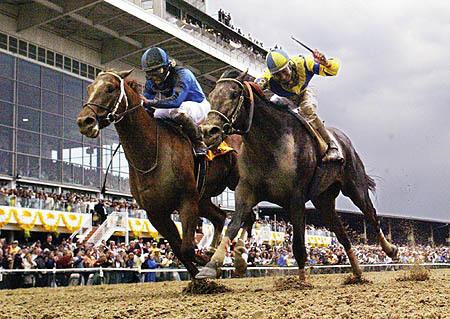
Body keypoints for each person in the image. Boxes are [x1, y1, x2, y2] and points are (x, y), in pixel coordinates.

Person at [255, 49, 344, 163]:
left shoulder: (305, 63)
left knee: (307, 109)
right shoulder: (267, 78)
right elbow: (254, 86)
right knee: (271, 110)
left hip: (305, 93)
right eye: (277, 75)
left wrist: (326, 63)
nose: (283, 77)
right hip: (286, 98)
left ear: (289, 65)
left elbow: (333, 71)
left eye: (284, 71)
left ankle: (332, 146)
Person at [140, 47, 210, 156]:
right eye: (150, 73)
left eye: (158, 71)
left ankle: (198, 142)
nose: (154, 77)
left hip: (198, 106)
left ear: (167, 67)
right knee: (156, 115)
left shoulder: (183, 75)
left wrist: (150, 103)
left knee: (178, 110)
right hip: (175, 106)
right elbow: (144, 100)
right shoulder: (151, 81)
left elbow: (176, 101)